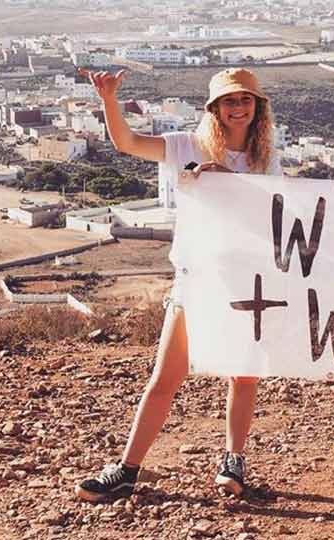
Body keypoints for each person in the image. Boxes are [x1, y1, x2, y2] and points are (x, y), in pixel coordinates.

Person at [74, 67, 282, 503]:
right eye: (229, 101)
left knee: (243, 375)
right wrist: (109, 100)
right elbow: (127, 143)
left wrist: (231, 183)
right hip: (197, 278)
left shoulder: (267, 159)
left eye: (245, 99)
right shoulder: (185, 145)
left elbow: (275, 213)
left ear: (257, 106)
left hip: (247, 279)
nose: (238, 107)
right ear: (214, 108)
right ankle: (127, 469)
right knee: (165, 377)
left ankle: (233, 461)